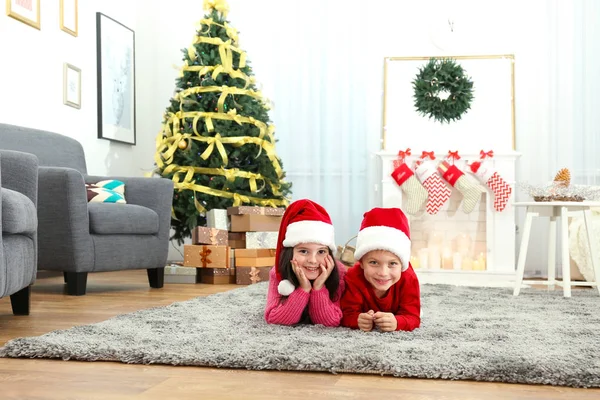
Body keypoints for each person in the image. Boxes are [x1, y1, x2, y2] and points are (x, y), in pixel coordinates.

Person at [264, 199, 346, 326]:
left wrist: (318, 287)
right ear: (290, 252)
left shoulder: (339, 272)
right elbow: (275, 319)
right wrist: (304, 289)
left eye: (321, 252)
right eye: (303, 251)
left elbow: (331, 321)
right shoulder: (278, 272)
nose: (313, 260)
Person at [341, 207, 421, 332]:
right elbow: (345, 314)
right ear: (361, 262)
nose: (383, 273)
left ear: (402, 264)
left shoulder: (408, 278)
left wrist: (398, 322)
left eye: (392, 264)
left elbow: (413, 317)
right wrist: (357, 320)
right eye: (374, 262)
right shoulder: (353, 277)